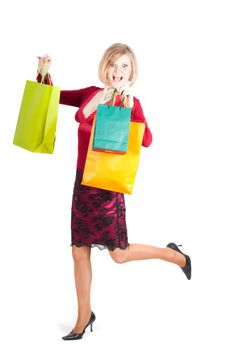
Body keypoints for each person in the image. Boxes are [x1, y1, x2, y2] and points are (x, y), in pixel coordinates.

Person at [37, 43, 191, 341]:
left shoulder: (131, 102)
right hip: (83, 182)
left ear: (131, 71)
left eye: (124, 66)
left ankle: (174, 256)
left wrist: (131, 110)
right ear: (104, 67)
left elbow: (146, 140)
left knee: (118, 255)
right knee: (78, 252)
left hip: (107, 187)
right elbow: (58, 100)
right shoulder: (91, 94)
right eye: (113, 65)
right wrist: (44, 74)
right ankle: (83, 317)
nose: (117, 71)